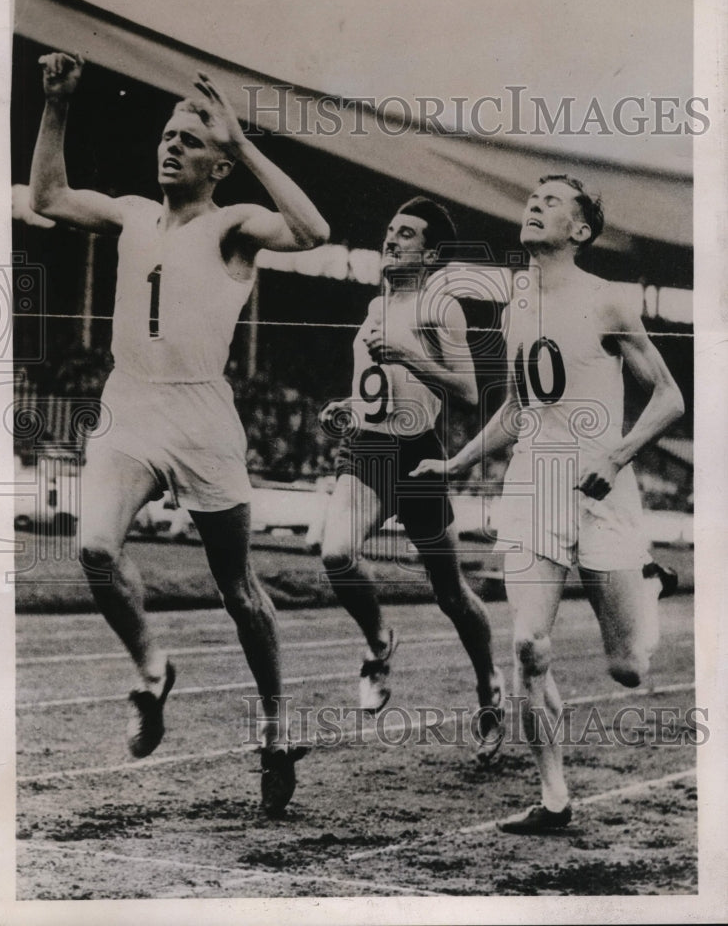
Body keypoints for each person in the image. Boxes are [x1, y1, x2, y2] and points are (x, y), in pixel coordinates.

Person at [30, 52, 329, 814]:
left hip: (201, 417)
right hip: (132, 403)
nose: (171, 146)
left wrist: (242, 136)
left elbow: (313, 228)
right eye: (168, 135)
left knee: (237, 586)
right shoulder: (132, 212)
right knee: (95, 548)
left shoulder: (233, 227)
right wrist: (57, 105)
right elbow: (51, 195)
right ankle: (152, 670)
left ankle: (272, 724)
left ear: (218, 166)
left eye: (190, 141)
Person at [412, 175, 684, 832]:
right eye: (531, 197)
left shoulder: (609, 303)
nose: (534, 204)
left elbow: (669, 398)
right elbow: (516, 409)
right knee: (529, 645)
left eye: (553, 201)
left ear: (582, 231)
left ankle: (647, 587)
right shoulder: (516, 306)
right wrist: (453, 462)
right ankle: (554, 794)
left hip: (601, 488)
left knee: (627, 668)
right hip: (533, 484)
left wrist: (616, 456)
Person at [319, 197, 505, 764]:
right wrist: (344, 410)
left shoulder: (438, 307)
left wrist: (407, 354)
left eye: (406, 234)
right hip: (370, 448)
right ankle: (379, 643)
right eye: (390, 229)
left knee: (450, 593)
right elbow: (373, 389)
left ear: (430, 255)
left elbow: (469, 391)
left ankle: (489, 687)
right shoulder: (375, 306)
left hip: (419, 454)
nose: (391, 239)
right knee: (336, 554)